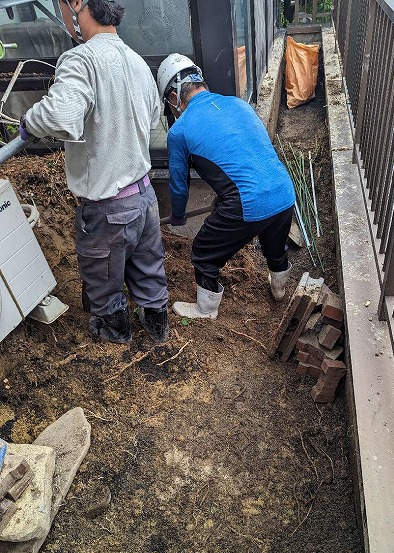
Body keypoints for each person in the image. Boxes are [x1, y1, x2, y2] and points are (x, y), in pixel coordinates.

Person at [18, 0, 169, 344]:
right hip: (144, 198)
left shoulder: (81, 59)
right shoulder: (136, 62)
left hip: (107, 208)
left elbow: (59, 115)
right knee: (148, 266)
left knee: (102, 276)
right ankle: (157, 328)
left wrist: (30, 121)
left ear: (77, 4)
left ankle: (115, 334)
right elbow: (150, 119)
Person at [157, 54, 296, 320]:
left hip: (248, 201)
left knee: (204, 252)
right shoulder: (238, 104)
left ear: (174, 97)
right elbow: (247, 156)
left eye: (170, 105)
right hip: (283, 191)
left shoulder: (180, 130)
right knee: (274, 247)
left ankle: (206, 310)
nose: (172, 111)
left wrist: (177, 215)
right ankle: (279, 291)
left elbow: (178, 185)